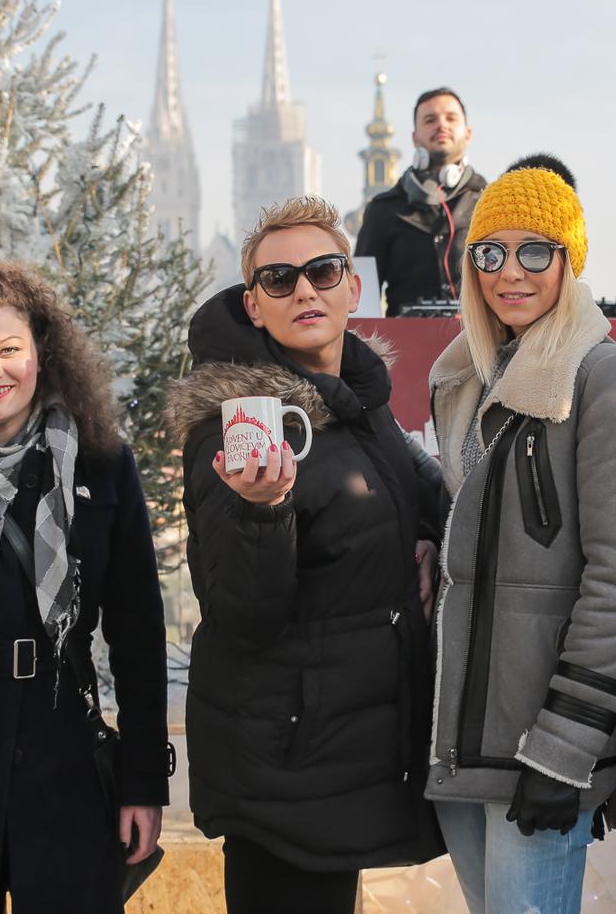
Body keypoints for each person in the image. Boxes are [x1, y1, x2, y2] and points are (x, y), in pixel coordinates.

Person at [169, 196, 446, 914]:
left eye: (322, 272)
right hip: (283, 761)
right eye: (278, 278)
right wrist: (262, 513)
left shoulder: (362, 404)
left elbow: (417, 504)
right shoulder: (236, 426)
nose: (304, 291)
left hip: (339, 752)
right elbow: (243, 614)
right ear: (254, 305)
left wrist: (422, 542)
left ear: (353, 288)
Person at [0, 261, 170, 914]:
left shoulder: (101, 462)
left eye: (8, 349)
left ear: (41, 352)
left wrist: (142, 782)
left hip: (63, 750)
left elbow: (137, 630)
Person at [425, 154, 616, 914]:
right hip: (465, 742)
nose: (510, 273)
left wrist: (566, 749)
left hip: (542, 742)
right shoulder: (463, 379)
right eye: (490, 253)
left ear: (570, 259)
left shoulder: (608, 379)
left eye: (536, 252)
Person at [354, 87, 489, 315]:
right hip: (403, 337)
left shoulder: (490, 203)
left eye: (451, 118)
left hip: (479, 335)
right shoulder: (383, 209)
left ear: (468, 134)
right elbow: (361, 299)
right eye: (430, 120)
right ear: (415, 138)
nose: (441, 125)